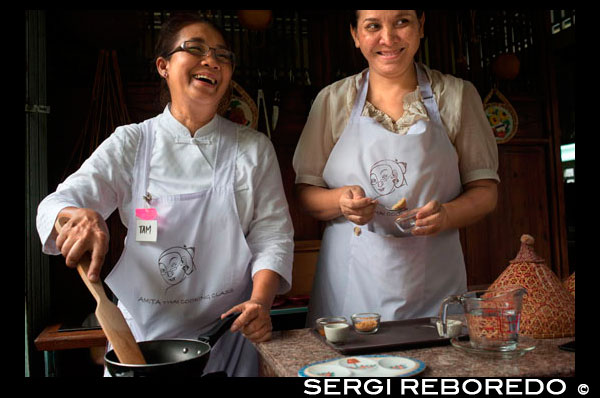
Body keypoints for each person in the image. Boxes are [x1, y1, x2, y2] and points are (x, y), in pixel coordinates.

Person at [36, 13, 294, 377]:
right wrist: (78, 217)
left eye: (223, 55)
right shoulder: (132, 143)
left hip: (227, 337)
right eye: (196, 49)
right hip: (141, 342)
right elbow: (54, 205)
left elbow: (272, 235)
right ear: (163, 65)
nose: (211, 61)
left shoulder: (253, 149)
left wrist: (260, 301)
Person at [293, 10, 499, 326]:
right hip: (351, 284)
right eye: (373, 26)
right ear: (355, 34)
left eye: (401, 22)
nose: (388, 38)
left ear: (421, 26)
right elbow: (305, 193)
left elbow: (485, 191)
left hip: (434, 282)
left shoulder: (456, 95)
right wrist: (341, 202)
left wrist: (447, 215)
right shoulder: (333, 100)